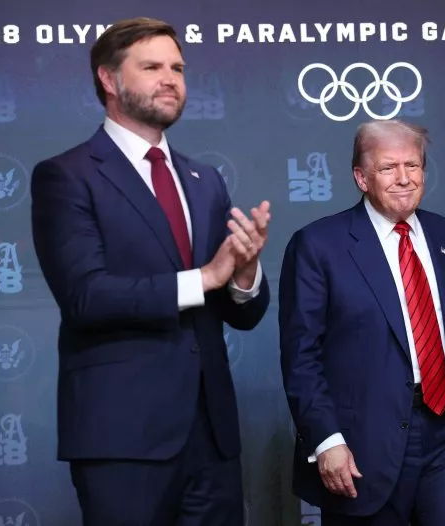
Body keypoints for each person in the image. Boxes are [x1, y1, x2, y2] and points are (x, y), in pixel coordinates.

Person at [30, 17, 270, 525]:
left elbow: (241, 314)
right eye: (152, 67)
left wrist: (243, 274)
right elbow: (85, 297)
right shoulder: (66, 175)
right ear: (108, 79)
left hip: (212, 438)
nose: (170, 80)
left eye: (177, 68)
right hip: (122, 436)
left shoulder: (204, 180)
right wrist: (205, 278)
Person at [278, 119, 445, 525]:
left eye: (413, 165)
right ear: (361, 178)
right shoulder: (319, 245)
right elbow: (301, 356)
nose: (404, 178)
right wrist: (326, 440)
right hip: (363, 445)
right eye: (388, 168)